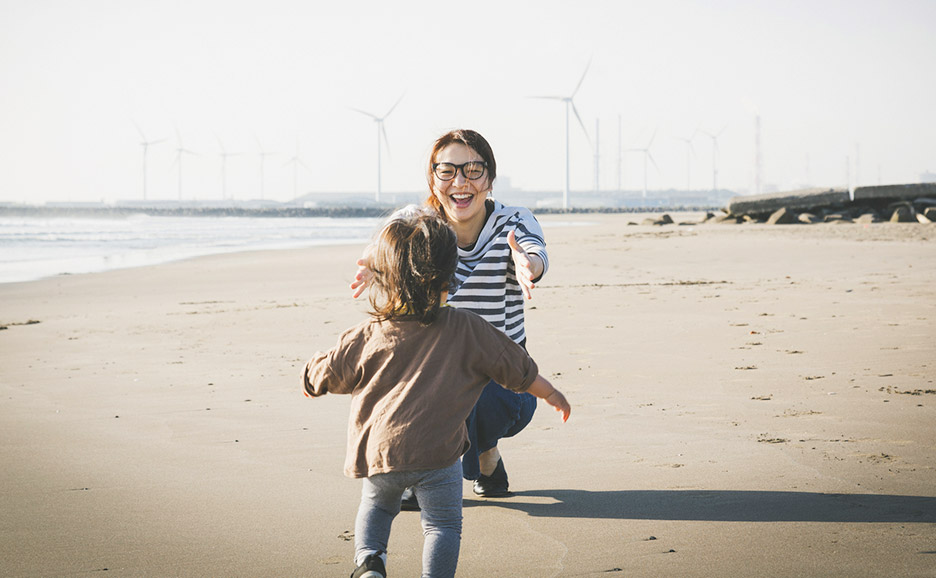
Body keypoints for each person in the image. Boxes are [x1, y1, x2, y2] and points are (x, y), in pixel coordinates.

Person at [304, 210, 571, 578]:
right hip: (440, 457)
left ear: (385, 277)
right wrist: (551, 392)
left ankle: (369, 563)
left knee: (377, 508)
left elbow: (328, 372)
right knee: (442, 526)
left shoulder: (367, 334)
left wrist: (310, 376)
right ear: (450, 278)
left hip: (381, 453)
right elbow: (515, 366)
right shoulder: (467, 328)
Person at [351, 129, 549, 502]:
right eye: (448, 171)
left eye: (473, 170)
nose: (460, 182)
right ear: (433, 179)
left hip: (505, 386)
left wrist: (528, 265)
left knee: (483, 397)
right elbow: (385, 241)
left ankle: (469, 459)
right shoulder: (420, 224)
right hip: (434, 376)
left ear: (489, 179)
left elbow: (534, 250)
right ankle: (456, 465)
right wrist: (375, 262)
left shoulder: (513, 221)